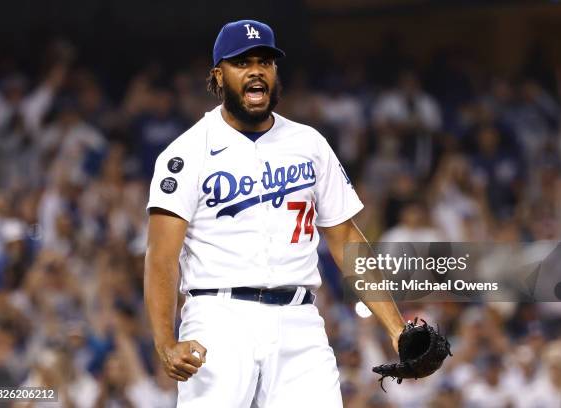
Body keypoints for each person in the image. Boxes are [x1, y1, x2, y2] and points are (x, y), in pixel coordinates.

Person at [144, 19, 405, 407]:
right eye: (242, 62)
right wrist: (165, 341)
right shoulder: (185, 153)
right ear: (218, 76)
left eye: (265, 62)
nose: (255, 71)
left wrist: (397, 331)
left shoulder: (309, 143)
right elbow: (161, 257)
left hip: (299, 321)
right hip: (218, 318)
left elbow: (347, 239)